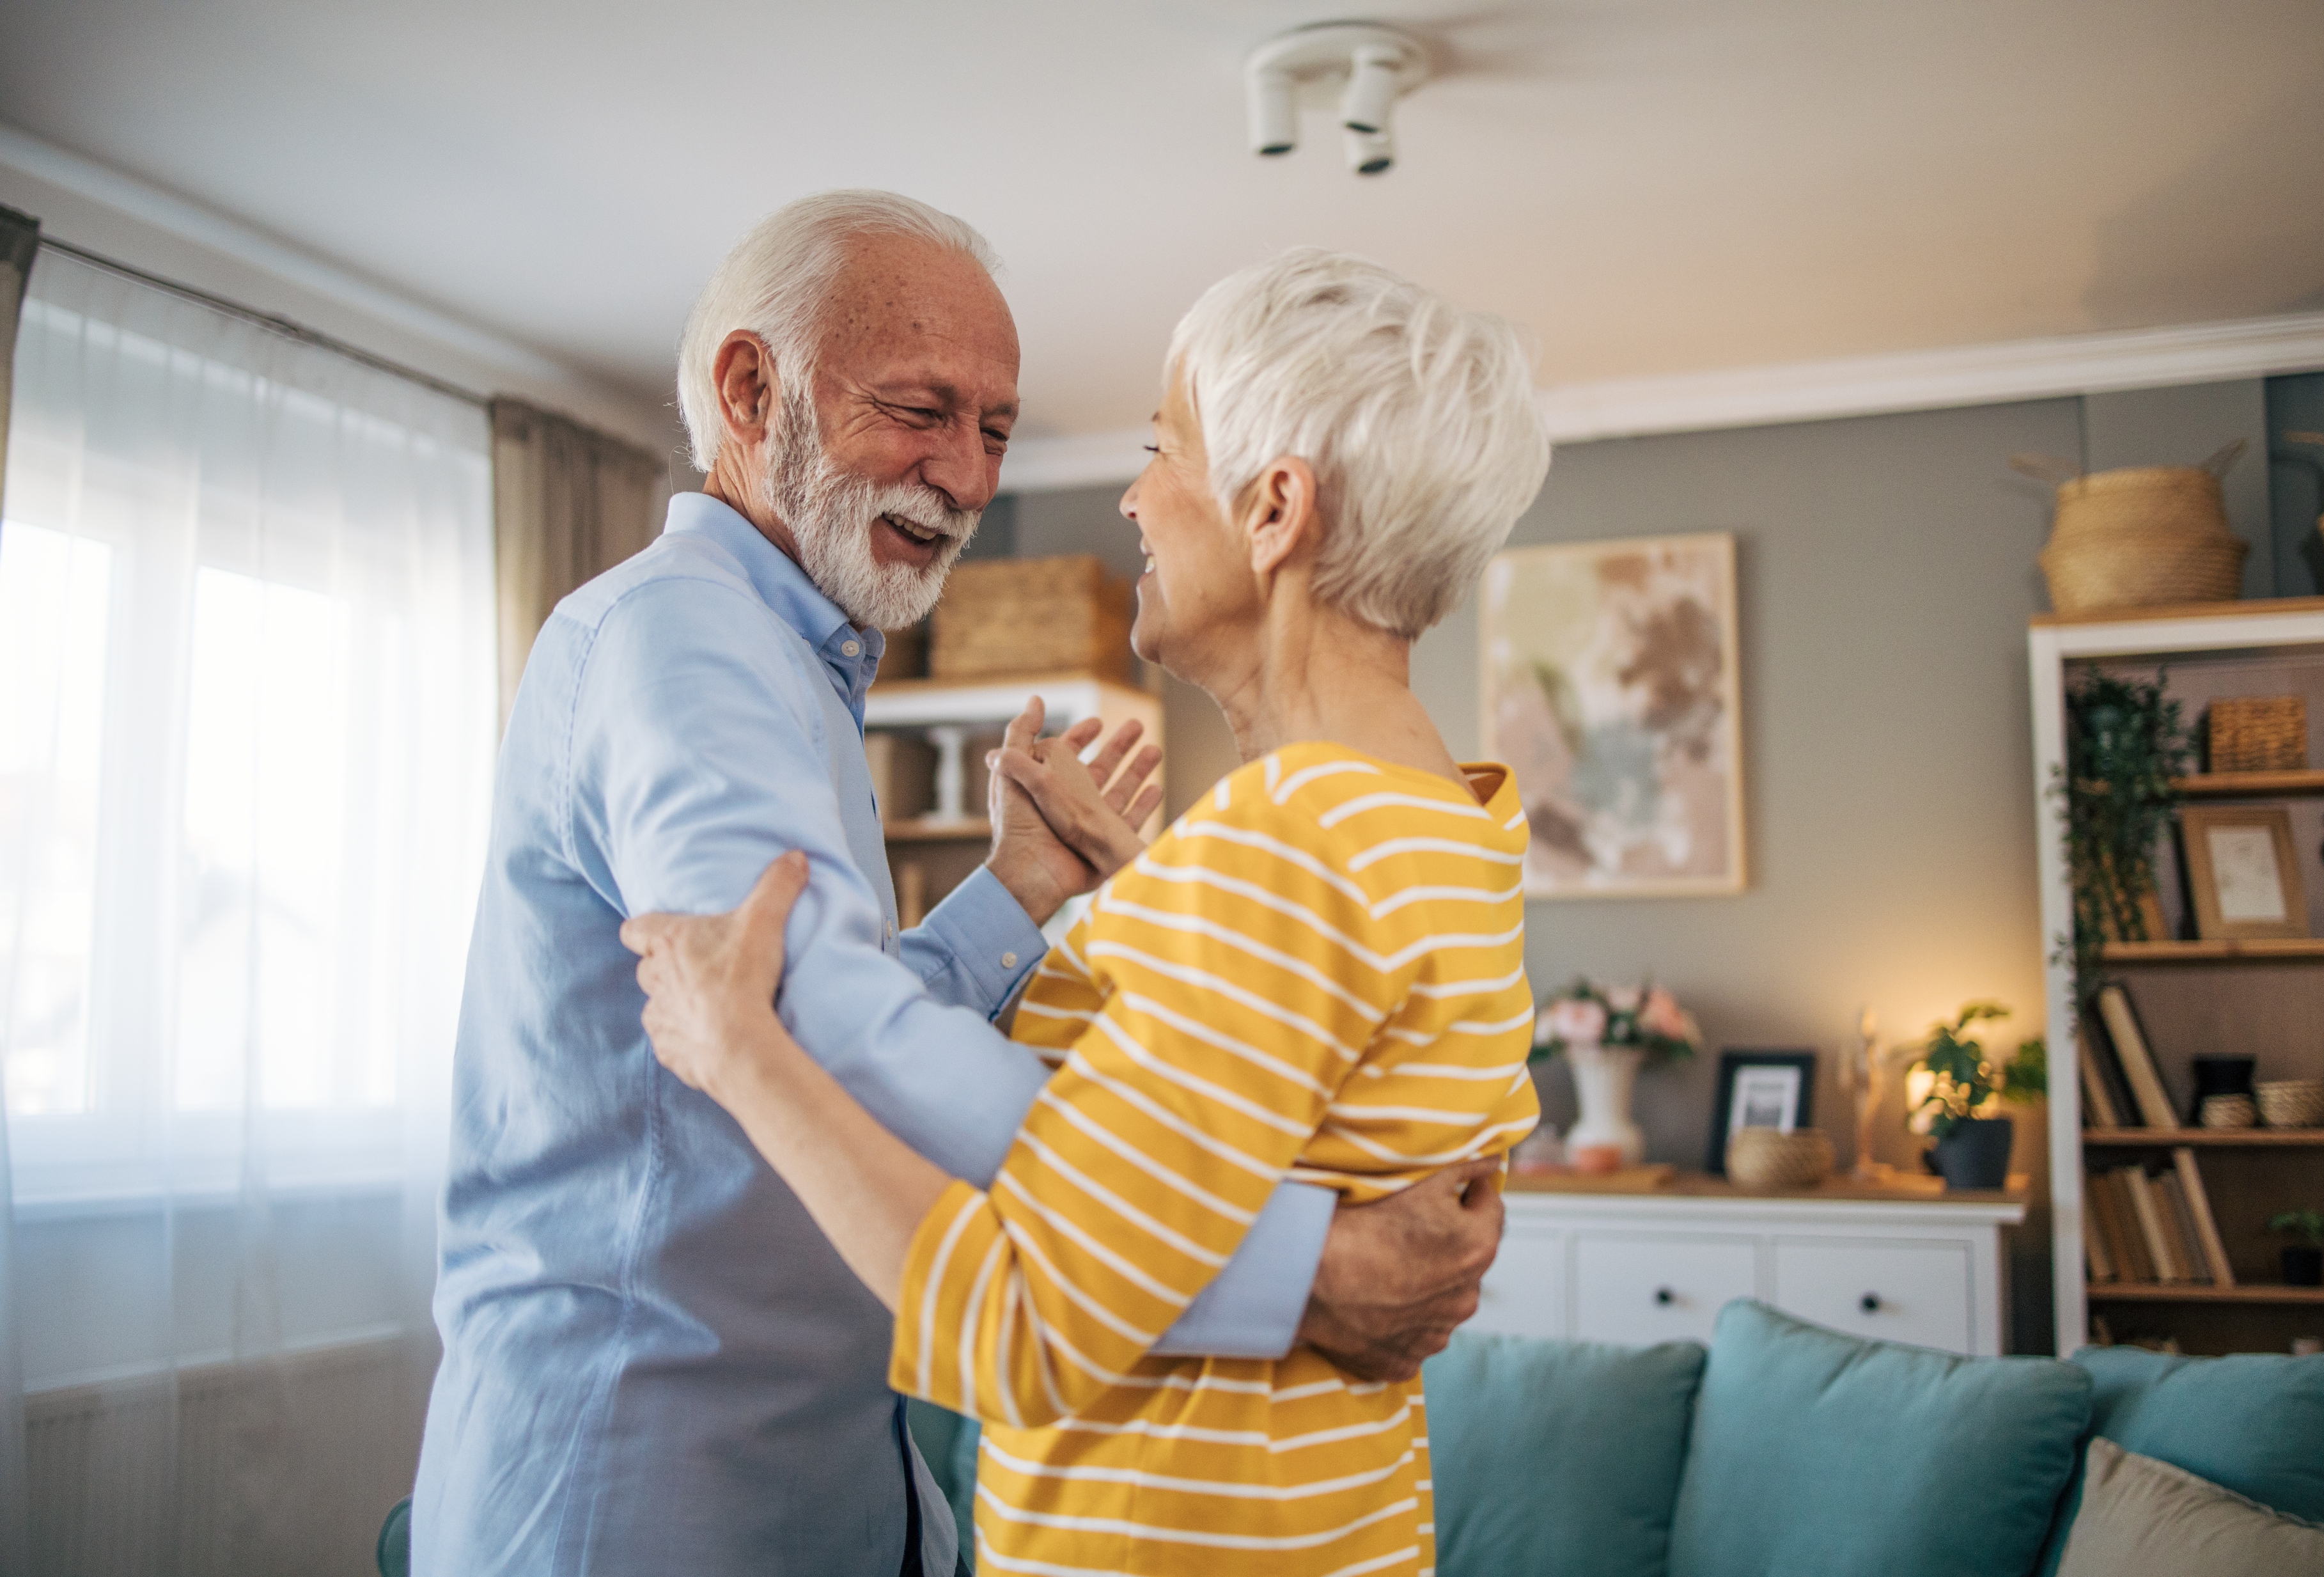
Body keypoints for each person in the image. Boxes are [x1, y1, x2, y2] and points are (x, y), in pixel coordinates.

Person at [409, 195, 1505, 1577]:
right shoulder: (677, 640)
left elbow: (819, 1012)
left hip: (824, 1477)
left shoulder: (793, 662)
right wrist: (1302, 1270)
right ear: (751, 392)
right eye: (922, 411)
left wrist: (1013, 894)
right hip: (648, 1487)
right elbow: (818, 1018)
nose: (972, 479)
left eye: (993, 429)